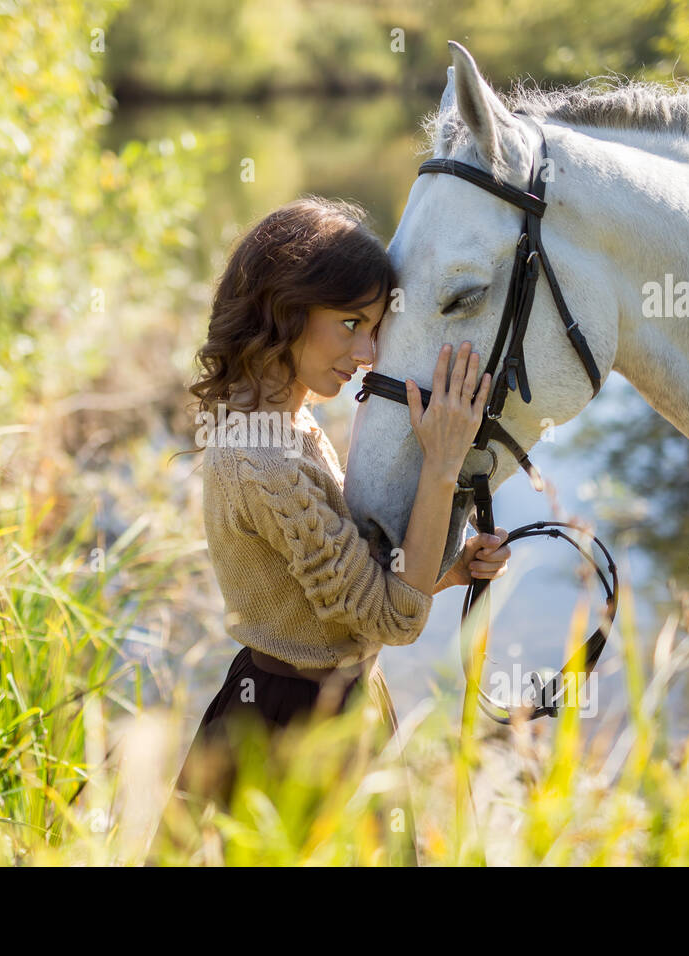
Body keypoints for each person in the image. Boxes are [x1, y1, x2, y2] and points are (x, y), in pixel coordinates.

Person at [154, 196, 510, 866]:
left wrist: (451, 568)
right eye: (350, 323)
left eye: (374, 328)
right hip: (293, 728)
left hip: (324, 702)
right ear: (284, 306)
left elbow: (346, 588)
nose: (368, 352)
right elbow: (394, 619)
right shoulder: (264, 461)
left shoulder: (284, 421)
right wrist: (441, 464)